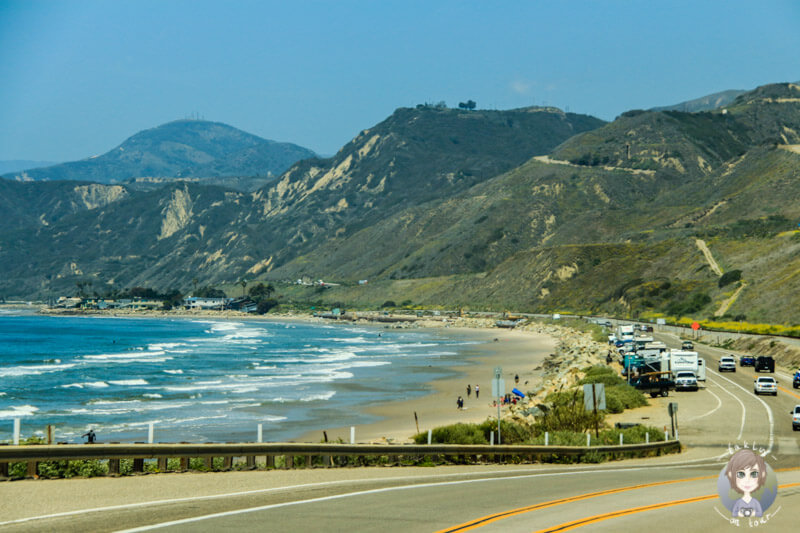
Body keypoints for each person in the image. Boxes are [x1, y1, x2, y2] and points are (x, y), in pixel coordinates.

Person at [725, 449, 767, 518]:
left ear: (762, 474)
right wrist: (740, 514)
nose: (747, 480)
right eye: (741, 474)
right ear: (730, 475)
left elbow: (760, 513)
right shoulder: (739, 503)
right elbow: (734, 513)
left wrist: (752, 514)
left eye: (754, 474)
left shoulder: (755, 502)